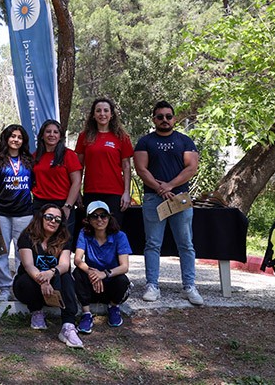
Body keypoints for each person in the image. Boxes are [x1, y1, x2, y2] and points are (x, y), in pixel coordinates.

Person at [133, 101, 203, 306]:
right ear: (154, 119)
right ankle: (152, 285)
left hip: (179, 198)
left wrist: (169, 186)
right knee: (153, 244)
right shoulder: (145, 142)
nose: (164, 120)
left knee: (186, 244)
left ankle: (189, 286)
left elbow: (191, 168)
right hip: (153, 198)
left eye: (168, 116)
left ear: (174, 118)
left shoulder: (185, 141)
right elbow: (141, 169)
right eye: (160, 117)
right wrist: (159, 188)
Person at [13, 204, 83, 349]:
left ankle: (68, 325)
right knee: (26, 280)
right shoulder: (27, 236)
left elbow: (64, 265)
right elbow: (28, 265)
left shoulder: (64, 238)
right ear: (41, 218)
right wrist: (43, 281)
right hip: (30, 285)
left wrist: (51, 273)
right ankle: (36, 311)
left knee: (66, 277)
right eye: (49, 217)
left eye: (57, 219)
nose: (53, 221)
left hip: (54, 285)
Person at [0, 124, 35, 302]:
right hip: (2, 213)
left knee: (22, 252)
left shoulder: (29, 160)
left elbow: (34, 185)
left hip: (24, 213)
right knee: (1, 252)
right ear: (6, 138)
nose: (16, 140)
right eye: (12, 136)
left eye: (19, 137)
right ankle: (5, 289)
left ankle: (19, 286)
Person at [72, 201, 132, 333]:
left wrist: (104, 274)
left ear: (109, 218)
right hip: (92, 283)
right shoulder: (84, 233)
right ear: (88, 219)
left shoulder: (120, 236)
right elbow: (77, 259)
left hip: (110, 282)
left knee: (122, 279)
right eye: (94, 216)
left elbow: (124, 266)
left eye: (103, 215)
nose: (99, 219)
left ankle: (113, 306)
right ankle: (86, 313)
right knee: (78, 273)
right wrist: (91, 272)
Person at [75, 98, 134, 225]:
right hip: (91, 191)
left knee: (113, 229)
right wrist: (77, 191)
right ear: (93, 115)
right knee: (92, 229)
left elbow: (126, 166)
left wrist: (126, 192)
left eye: (106, 110)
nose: (102, 114)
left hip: (115, 193)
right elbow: (79, 166)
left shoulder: (122, 137)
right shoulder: (84, 136)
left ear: (111, 114)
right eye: (98, 111)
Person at [32, 119, 81, 232]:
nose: (52, 135)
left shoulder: (68, 155)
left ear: (60, 136)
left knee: (63, 240)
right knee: (40, 239)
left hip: (62, 204)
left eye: (55, 132)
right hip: (40, 204)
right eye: (48, 131)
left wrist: (68, 206)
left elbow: (77, 181)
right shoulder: (35, 156)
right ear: (42, 135)